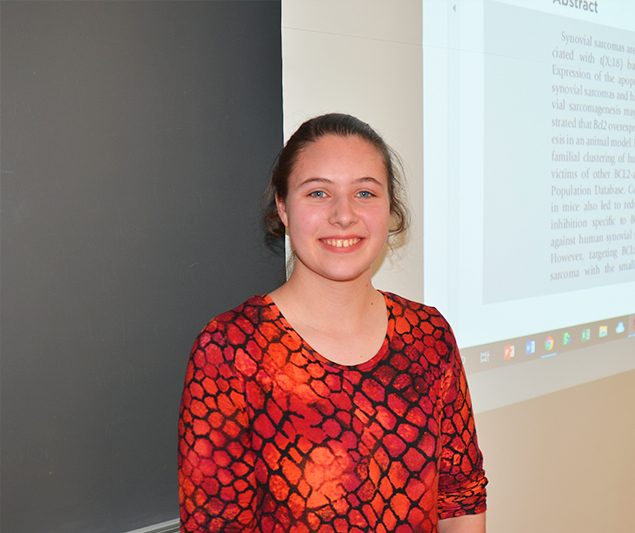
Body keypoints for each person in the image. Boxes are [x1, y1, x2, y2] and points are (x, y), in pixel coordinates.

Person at [178, 113, 487, 533]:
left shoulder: (429, 335)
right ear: (284, 207)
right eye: (319, 193)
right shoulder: (230, 350)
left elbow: (460, 499)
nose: (344, 215)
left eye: (364, 193)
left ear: (389, 209)